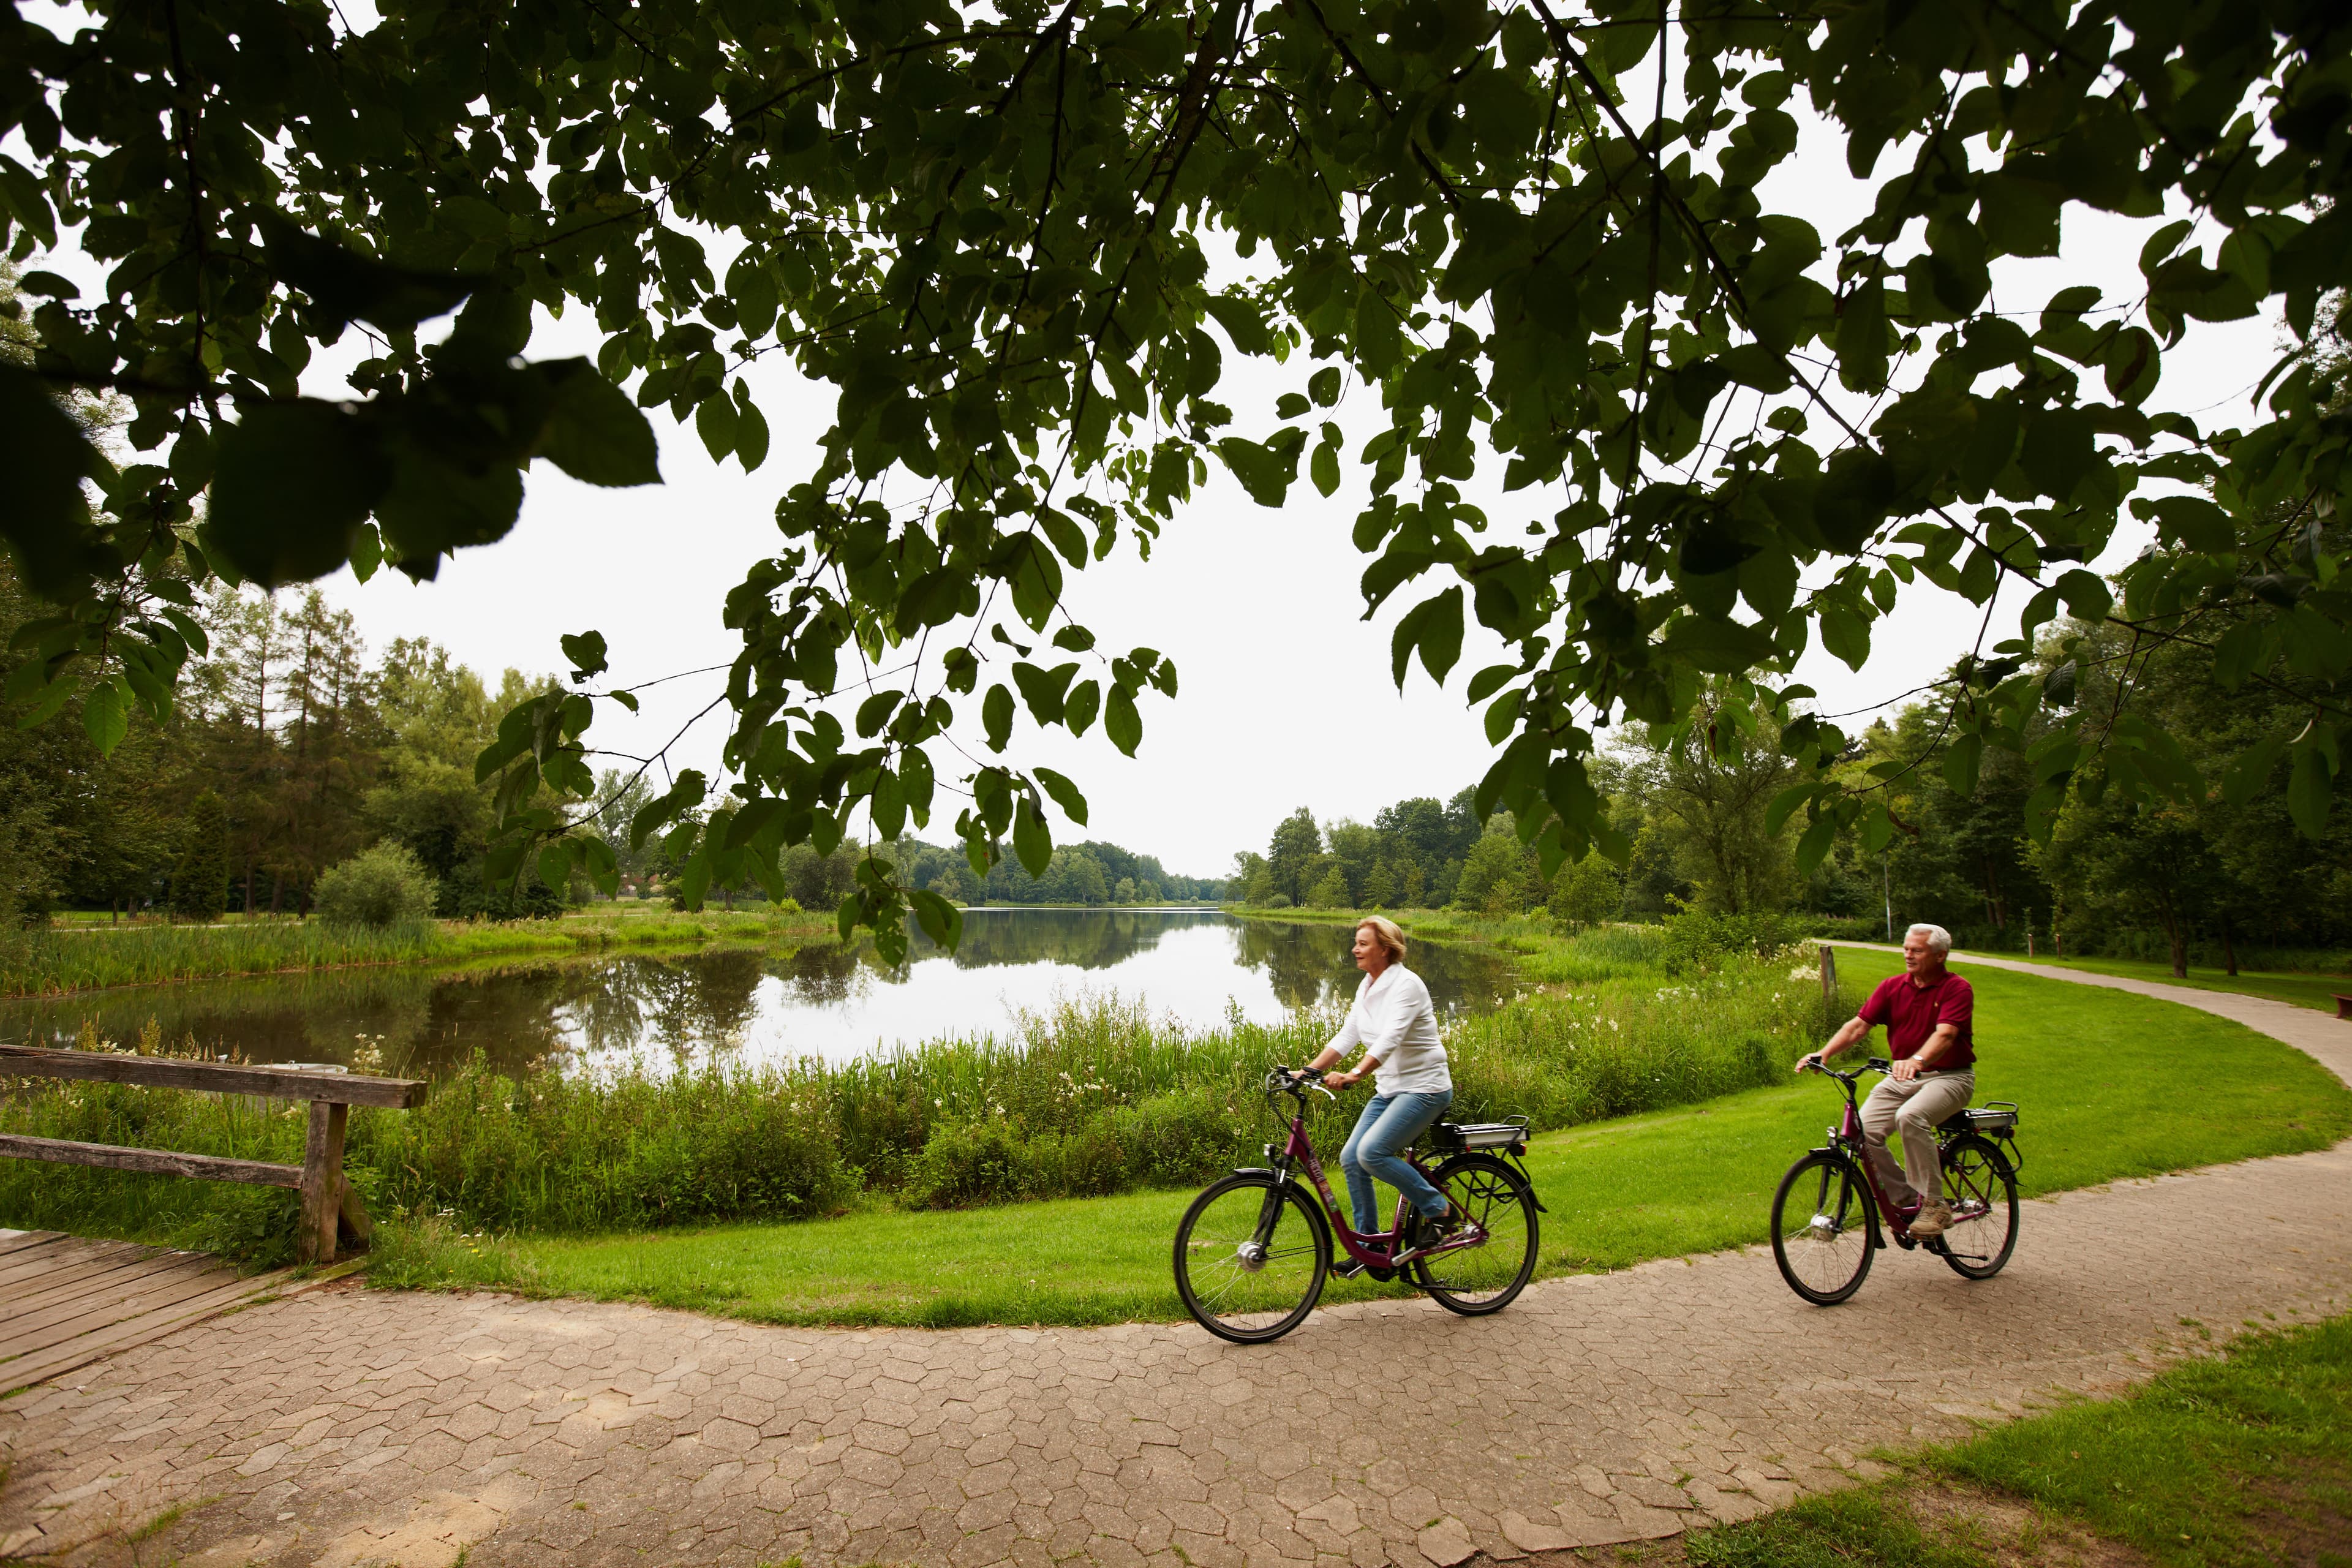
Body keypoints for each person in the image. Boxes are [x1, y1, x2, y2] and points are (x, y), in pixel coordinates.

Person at [1796, 923, 1977, 1238]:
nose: (1908, 954)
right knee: (1861, 1135)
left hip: (1950, 1077)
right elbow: (1858, 1027)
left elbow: (1946, 1034)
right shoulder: (1893, 987)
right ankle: (1906, 1200)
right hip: (1903, 1077)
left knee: (1911, 1117)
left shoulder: (1957, 988)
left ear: (1940, 955)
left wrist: (1917, 1060)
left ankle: (1935, 1205)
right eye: (1906, 948)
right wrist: (1824, 1054)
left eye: (1917, 950)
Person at [1301, 916, 1455, 1276]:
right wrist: (1308, 1071)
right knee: (1352, 1157)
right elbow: (1348, 1034)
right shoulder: (1367, 985)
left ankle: (1439, 1210)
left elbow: (1390, 1039)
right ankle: (1369, 1246)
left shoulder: (1407, 986)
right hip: (1390, 1088)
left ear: (1384, 949)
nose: (1355, 948)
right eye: (1356, 942)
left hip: (1424, 1088)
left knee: (1373, 1153)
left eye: (1363, 943)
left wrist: (1355, 1074)